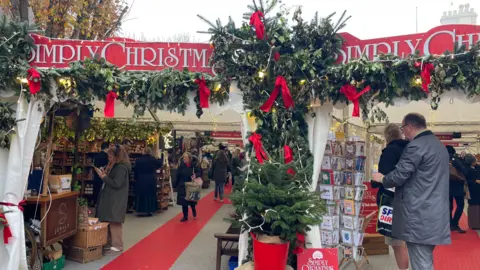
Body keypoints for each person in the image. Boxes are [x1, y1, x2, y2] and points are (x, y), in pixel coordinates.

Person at [372, 113, 450, 270]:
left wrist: (381, 178)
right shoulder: (437, 145)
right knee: (425, 259)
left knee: (421, 263)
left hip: (419, 215)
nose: (403, 133)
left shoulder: (416, 146)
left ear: (410, 127)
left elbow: (399, 175)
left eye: (403, 128)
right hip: (435, 213)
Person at [371, 124, 409, 270]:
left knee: (397, 244)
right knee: (406, 242)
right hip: (409, 199)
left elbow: (385, 178)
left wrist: (376, 180)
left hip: (391, 201)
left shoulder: (389, 152)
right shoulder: (410, 149)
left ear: (387, 137)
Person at [94, 144, 131, 255]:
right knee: (109, 219)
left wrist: (104, 177)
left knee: (115, 221)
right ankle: (110, 243)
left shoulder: (121, 168)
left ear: (117, 156)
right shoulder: (117, 166)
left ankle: (117, 245)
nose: (109, 158)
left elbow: (117, 183)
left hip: (116, 198)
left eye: (110, 156)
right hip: (112, 197)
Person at [134, 147, 163, 216]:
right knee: (150, 194)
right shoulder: (152, 159)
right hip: (150, 178)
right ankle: (150, 209)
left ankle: (140, 209)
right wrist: (159, 158)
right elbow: (160, 163)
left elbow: (135, 170)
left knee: (141, 194)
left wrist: (136, 178)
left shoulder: (138, 161)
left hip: (141, 178)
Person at [446, 145, 468, 233]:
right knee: (460, 205)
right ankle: (455, 223)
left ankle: (450, 224)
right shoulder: (455, 160)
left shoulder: (441, 159)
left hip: (446, 187)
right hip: (457, 186)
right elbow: (464, 171)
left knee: (448, 207)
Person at [174, 152, 200, 222]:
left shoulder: (194, 165)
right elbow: (177, 175)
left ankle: (193, 210)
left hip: (191, 184)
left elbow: (199, 172)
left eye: (186, 157)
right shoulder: (181, 166)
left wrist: (195, 175)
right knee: (184, 202)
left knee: (192, 201)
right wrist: (175, 184)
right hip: (182, 185)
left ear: (190, 158)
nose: (184, 159)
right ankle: (185, 216)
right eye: (183, 157)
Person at [93, 142, 109, 207]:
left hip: (96, 176)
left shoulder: (96, 156)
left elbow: (94, 166)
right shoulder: (107, 157)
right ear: (106, 148)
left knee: (97, 190)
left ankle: (96, 203)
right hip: (104, 176)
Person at [468, 158, 480, 229]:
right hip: (472, 191)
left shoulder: (477, 167)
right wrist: (475, 181)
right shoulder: (467, 169)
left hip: (477, 191)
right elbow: (466, 180)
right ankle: (474, 224)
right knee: (473, 208)